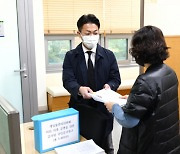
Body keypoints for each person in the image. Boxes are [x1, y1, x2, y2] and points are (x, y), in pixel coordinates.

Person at [104, 25, 180, 154]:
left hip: (149, 145)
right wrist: (133, 99)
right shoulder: (169, 72)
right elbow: (158, 101)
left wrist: (114, 107)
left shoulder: (145, 80)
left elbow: (129, 121)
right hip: (169, 143)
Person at [62, 14, 121, 154]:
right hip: (81, 108)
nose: (92, 36)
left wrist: (110, 86)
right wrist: (78, 89)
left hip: (103, 108)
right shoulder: (71, 56)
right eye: (87, 33)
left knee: (104, 146)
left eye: (95, 33)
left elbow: (116, 78)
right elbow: (67, 80)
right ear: (79, 33)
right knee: (82, 146)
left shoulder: (109, 55)